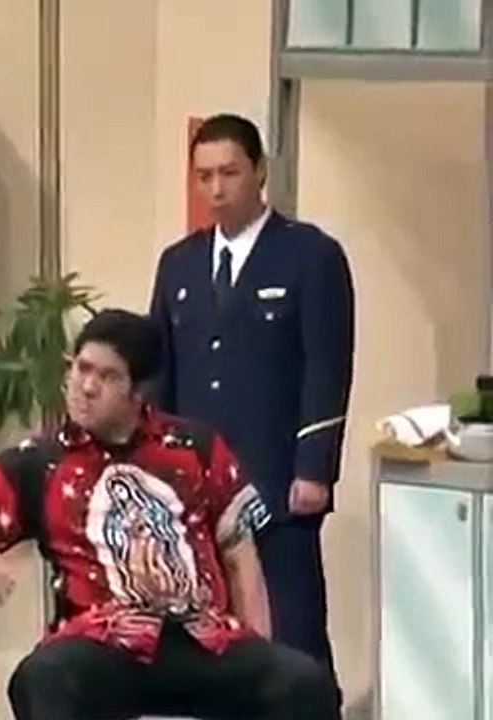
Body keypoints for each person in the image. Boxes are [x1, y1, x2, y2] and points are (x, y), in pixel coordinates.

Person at [0, 309, 342, 720]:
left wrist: (259, 652)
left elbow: (240, 557)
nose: (86, 387)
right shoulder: (41, 461)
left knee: (303, 682)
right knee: (42, 678)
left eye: (107, 376)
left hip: (201, 638)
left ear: (139, 391)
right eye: (81, 369)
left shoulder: (196, 447)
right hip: (101, 643)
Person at [147, 113, 355, 694]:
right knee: (209, 639)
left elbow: (327, 366)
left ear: (260, 172)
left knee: (293, 635)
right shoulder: (180, 264)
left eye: (230, 173)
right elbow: (161, 373)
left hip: (277, 481)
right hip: (198, 489)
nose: (216, 189)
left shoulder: (309, 255)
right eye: (204, 176)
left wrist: (314, 468)